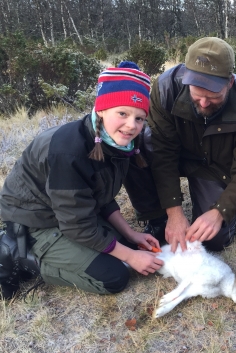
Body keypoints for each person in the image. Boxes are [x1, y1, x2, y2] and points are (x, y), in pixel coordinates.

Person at [0, 62, 164, 300]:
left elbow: (100, 197)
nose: (132, 125)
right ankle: (22, 255)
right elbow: (77, 226)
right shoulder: (69, 151)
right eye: (123, 113)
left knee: (119, 244)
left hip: (66, 213)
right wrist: (130, 256)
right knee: (113, 275)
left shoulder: (119, 143)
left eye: (139, 118)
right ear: (101, 110)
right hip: (35, 220)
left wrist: (130, 235)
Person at [125, 37, 236, 252]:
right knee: (136, 144)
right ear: (186, 78)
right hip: (179, 154)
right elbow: (162, 152)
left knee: (213, 239)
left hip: (216, 167)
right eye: (197, 94)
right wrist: (173, 212)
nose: (203, 103)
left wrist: (220, 211)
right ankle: (156, 218)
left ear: (229, 83)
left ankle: (233, 209)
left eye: (213, 96)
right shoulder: (166, 88)